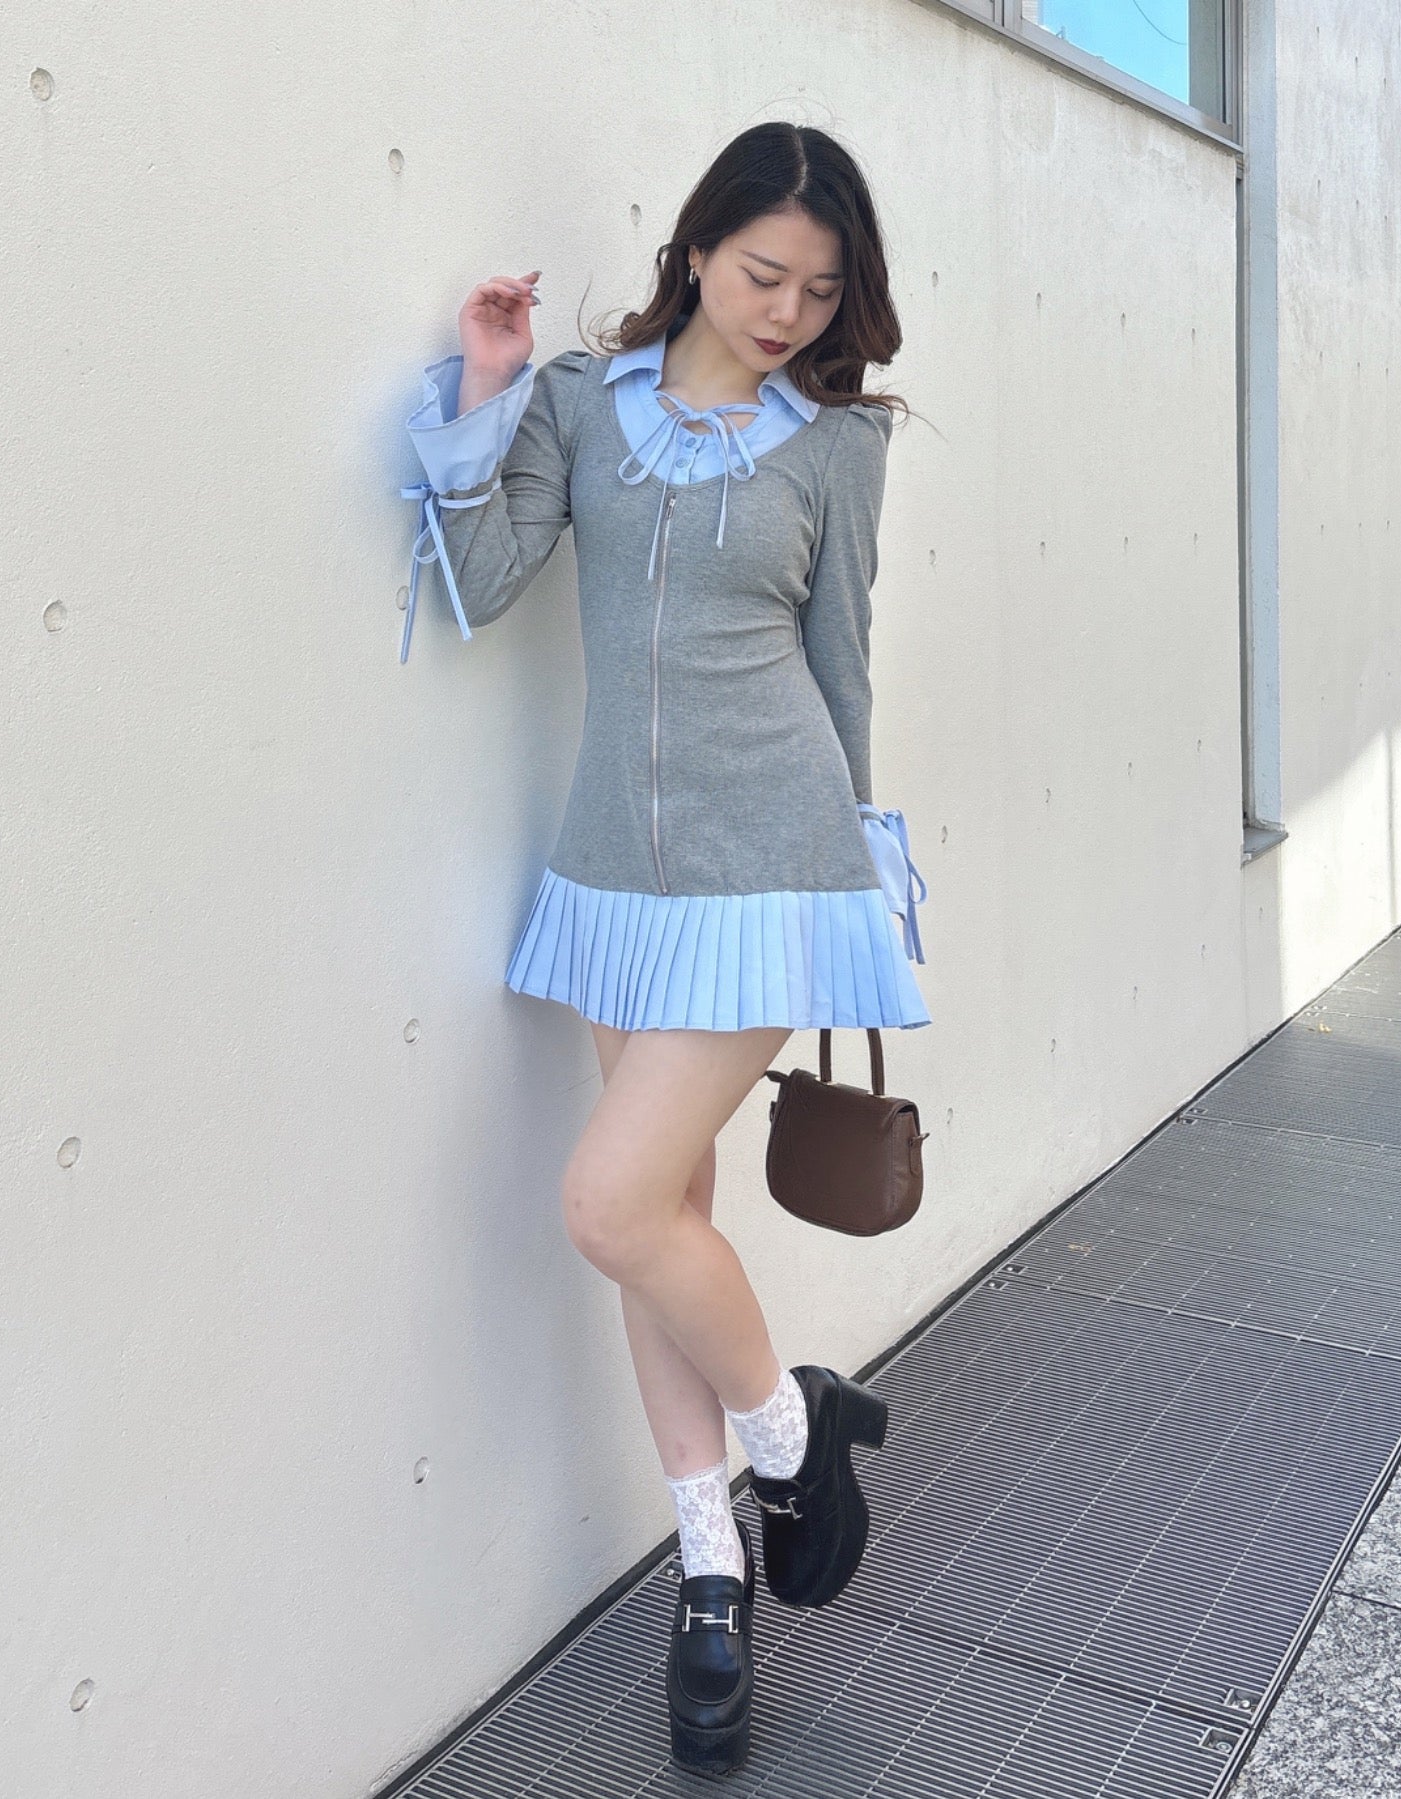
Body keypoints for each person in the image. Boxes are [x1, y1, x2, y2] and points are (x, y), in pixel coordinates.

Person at [399, 119, 931, 1776]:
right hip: (612, 881)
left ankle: (791, 1433)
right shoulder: (580, 405)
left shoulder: (835, 446)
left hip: (773, 868)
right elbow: (479, 580)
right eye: (765, 274)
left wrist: (861, 874)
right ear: (696, 251)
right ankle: (712, 1571)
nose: (787, 313)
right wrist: (486, 386)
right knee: (663, 1225)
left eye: (820, 292)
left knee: (606, 1205)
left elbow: (842, 664)